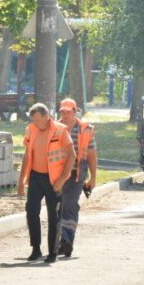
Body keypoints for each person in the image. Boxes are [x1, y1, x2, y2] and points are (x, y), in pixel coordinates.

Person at [18, 103, 75, 263]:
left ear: (46, 116)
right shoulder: (31, 130)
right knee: (31, 211)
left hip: (54, 179)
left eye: (38, 120)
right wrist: (21, 180)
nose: (36, 124)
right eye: (33, 120)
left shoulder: (60, 130)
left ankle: (52, 252)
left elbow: (72, 155)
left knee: (53, 216)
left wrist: (62, 178)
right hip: (35, 177)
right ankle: (35, 248)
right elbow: (27, 155)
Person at [57, 98, 97, 258]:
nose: (65, 115)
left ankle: (67, 240)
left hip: (76, 174)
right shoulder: (55, 127)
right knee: (59, 207)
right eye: (63, 112)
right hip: (58, 174)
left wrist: (93, 177)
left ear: (75, 111)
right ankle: (60, 241)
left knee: (70, 204)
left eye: (68, 111)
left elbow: (92, 154)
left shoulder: (86, 129)